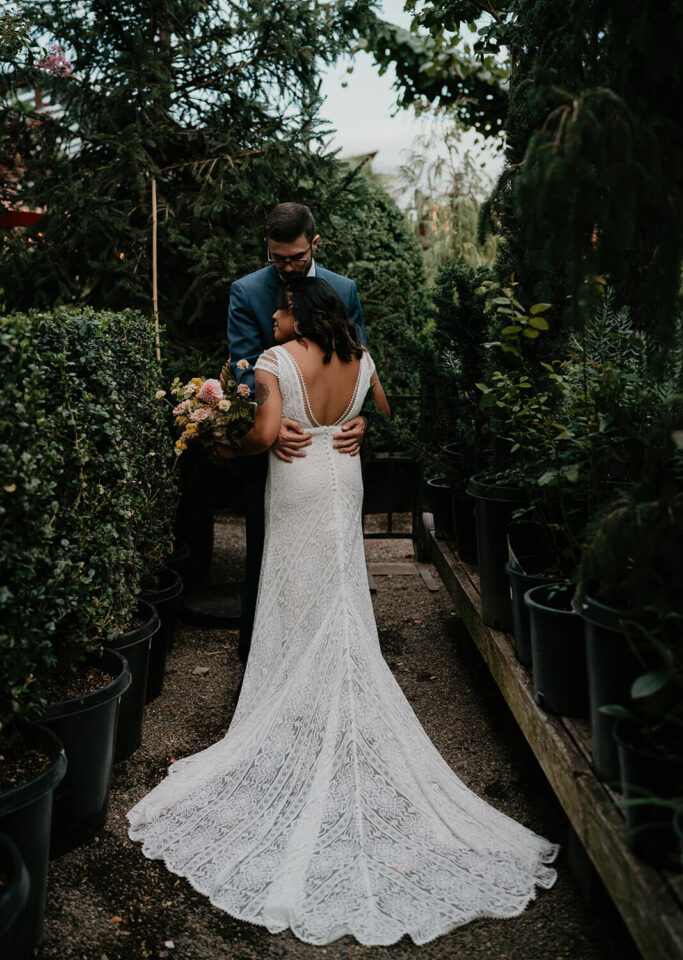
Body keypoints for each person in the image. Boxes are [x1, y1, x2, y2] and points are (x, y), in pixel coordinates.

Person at [127, 278, 558, 947]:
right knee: (337, 593)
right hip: (343, 475)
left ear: (298, 314)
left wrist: (221, 440)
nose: (272, 311)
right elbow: (380, 409)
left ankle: (294, 712)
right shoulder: (360, 358)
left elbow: (266, 433)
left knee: (295, 597)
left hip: (298, 480)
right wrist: (352, 418)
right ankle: (324, 704)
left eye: (281, 305)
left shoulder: (274, 362)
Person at [227, 202, 367, 664]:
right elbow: (244, 368)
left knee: (335, 550)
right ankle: (261, 660)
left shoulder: (343, 289)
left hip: (332, 446)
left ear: (315, 244)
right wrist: (270, 419)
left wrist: (362, 417)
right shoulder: (247, 293)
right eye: (278, 259)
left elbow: (358, 360)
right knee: (265, 550)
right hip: (277, 445)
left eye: (297, 258)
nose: (287, 268)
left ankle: (333, 656)